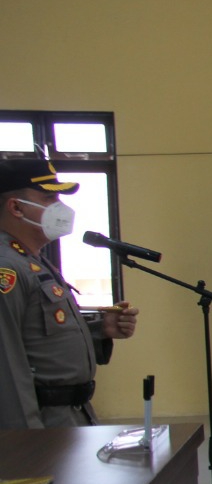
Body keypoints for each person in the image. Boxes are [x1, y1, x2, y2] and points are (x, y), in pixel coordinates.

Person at [0, 159, 139, 428]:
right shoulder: (7, 267)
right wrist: (26, 442)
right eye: (49, 197)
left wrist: (99, 330)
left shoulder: (34, 260)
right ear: (16, 207)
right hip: (40, 423)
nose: (60, 207)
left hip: (71, 415)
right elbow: (7, 363)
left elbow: (41, 333)